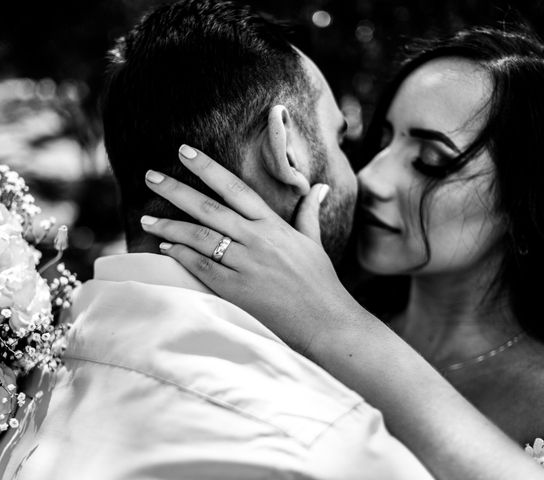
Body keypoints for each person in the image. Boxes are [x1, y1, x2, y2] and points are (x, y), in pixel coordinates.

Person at [0, 1, 433, 478]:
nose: (362, 174)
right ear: (287, 153)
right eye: (340, 140)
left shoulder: (27, 390)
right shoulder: (317, 441)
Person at [142, 26, 544, 479]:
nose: (371, 178)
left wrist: (333, 322)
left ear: (523, 202)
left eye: (430, 160)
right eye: (384, 140)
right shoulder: (279, 319)